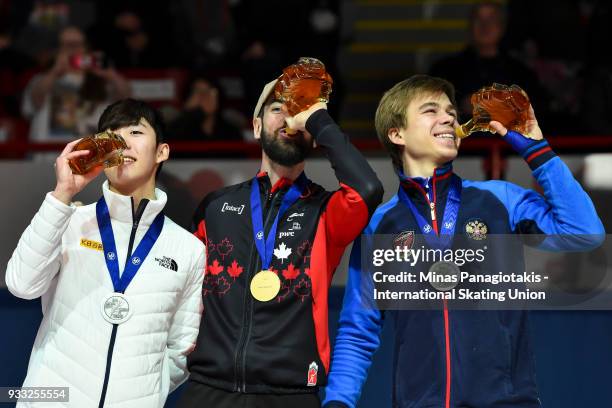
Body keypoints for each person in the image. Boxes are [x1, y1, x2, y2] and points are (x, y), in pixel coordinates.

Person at [322, 75, 604, 408]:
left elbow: (584, 232)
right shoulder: (381, 226)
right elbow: (358, 331)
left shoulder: (500, 201)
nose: (449, 118)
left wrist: (536, 148)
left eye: (450, 111)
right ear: (397, 134)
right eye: (431, 110)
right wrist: (337, 402)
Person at [177, 69, 384, 407]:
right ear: (256, 126)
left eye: (298, 111)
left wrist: (318, 118)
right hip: (207, 389)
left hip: (290, 395)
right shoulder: (215, 207)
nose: (289, 117)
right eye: (277, 108)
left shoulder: (327, 211)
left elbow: (368, 189)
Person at [5, 99, 206, 407]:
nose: (121, 141)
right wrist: (62, 195)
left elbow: (181, 349)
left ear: (161, 152)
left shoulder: (188, 249)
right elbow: (21, 284)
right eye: (111, 134)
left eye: (135, 131)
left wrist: (141, 394)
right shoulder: (68, 221)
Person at [429, 2, 545, 122]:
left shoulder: (522, 74)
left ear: (502, 26)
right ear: (470, 25)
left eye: (492, 19)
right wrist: (458, 106)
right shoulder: (444, 71)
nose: (485, 25)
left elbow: (538, 114)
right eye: (478, 19)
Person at [21, 26, 131, 142]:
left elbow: (126, 99)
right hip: (49, 154)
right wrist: (55, 71)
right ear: (57, 50)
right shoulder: (41, 79)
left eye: (79, 44)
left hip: (89, 154)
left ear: (87, 48)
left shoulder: (102, 81)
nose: (74, 50)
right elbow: (36, 99)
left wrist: (110, 74)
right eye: (68, 45)